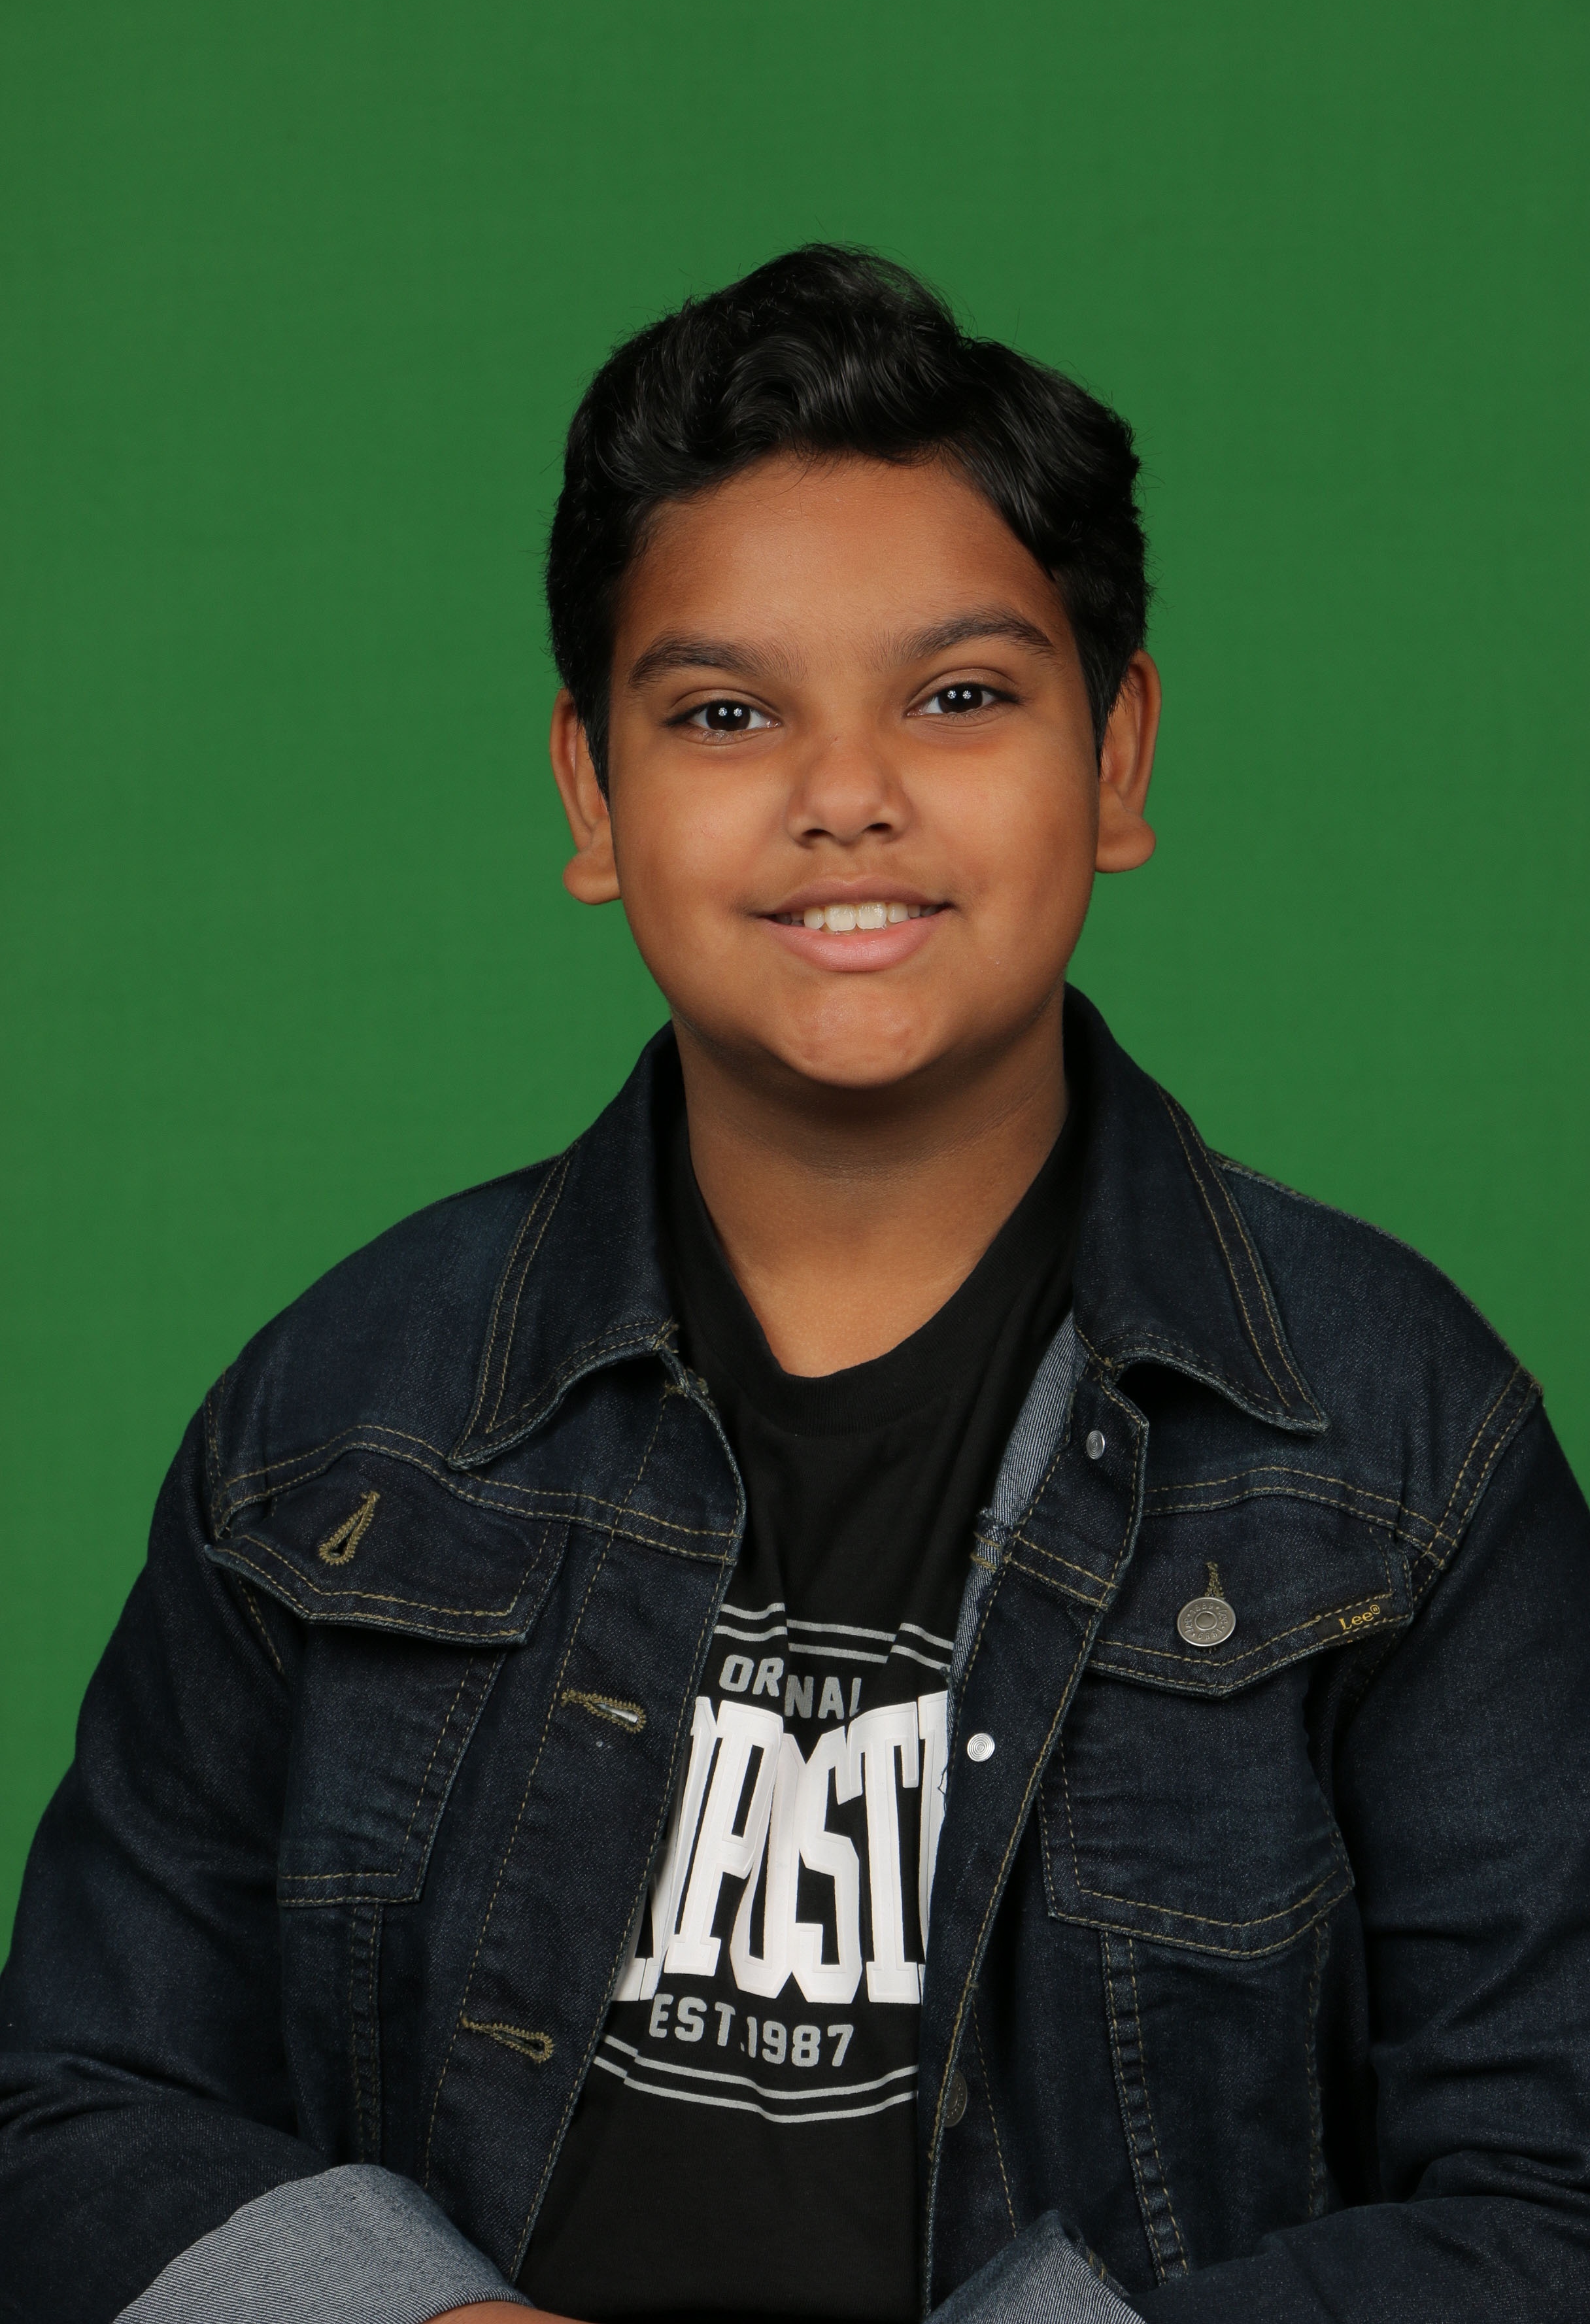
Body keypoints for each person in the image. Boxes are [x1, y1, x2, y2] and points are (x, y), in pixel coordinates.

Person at [3, 245, 1588, 2324]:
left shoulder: (1396, 1444)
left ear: (1116, 758)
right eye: (726, 714)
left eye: (961, 697)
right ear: (593, 792)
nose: (846, 795)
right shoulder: (340, 1420)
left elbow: (1549, 2200)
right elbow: (77, 2106)